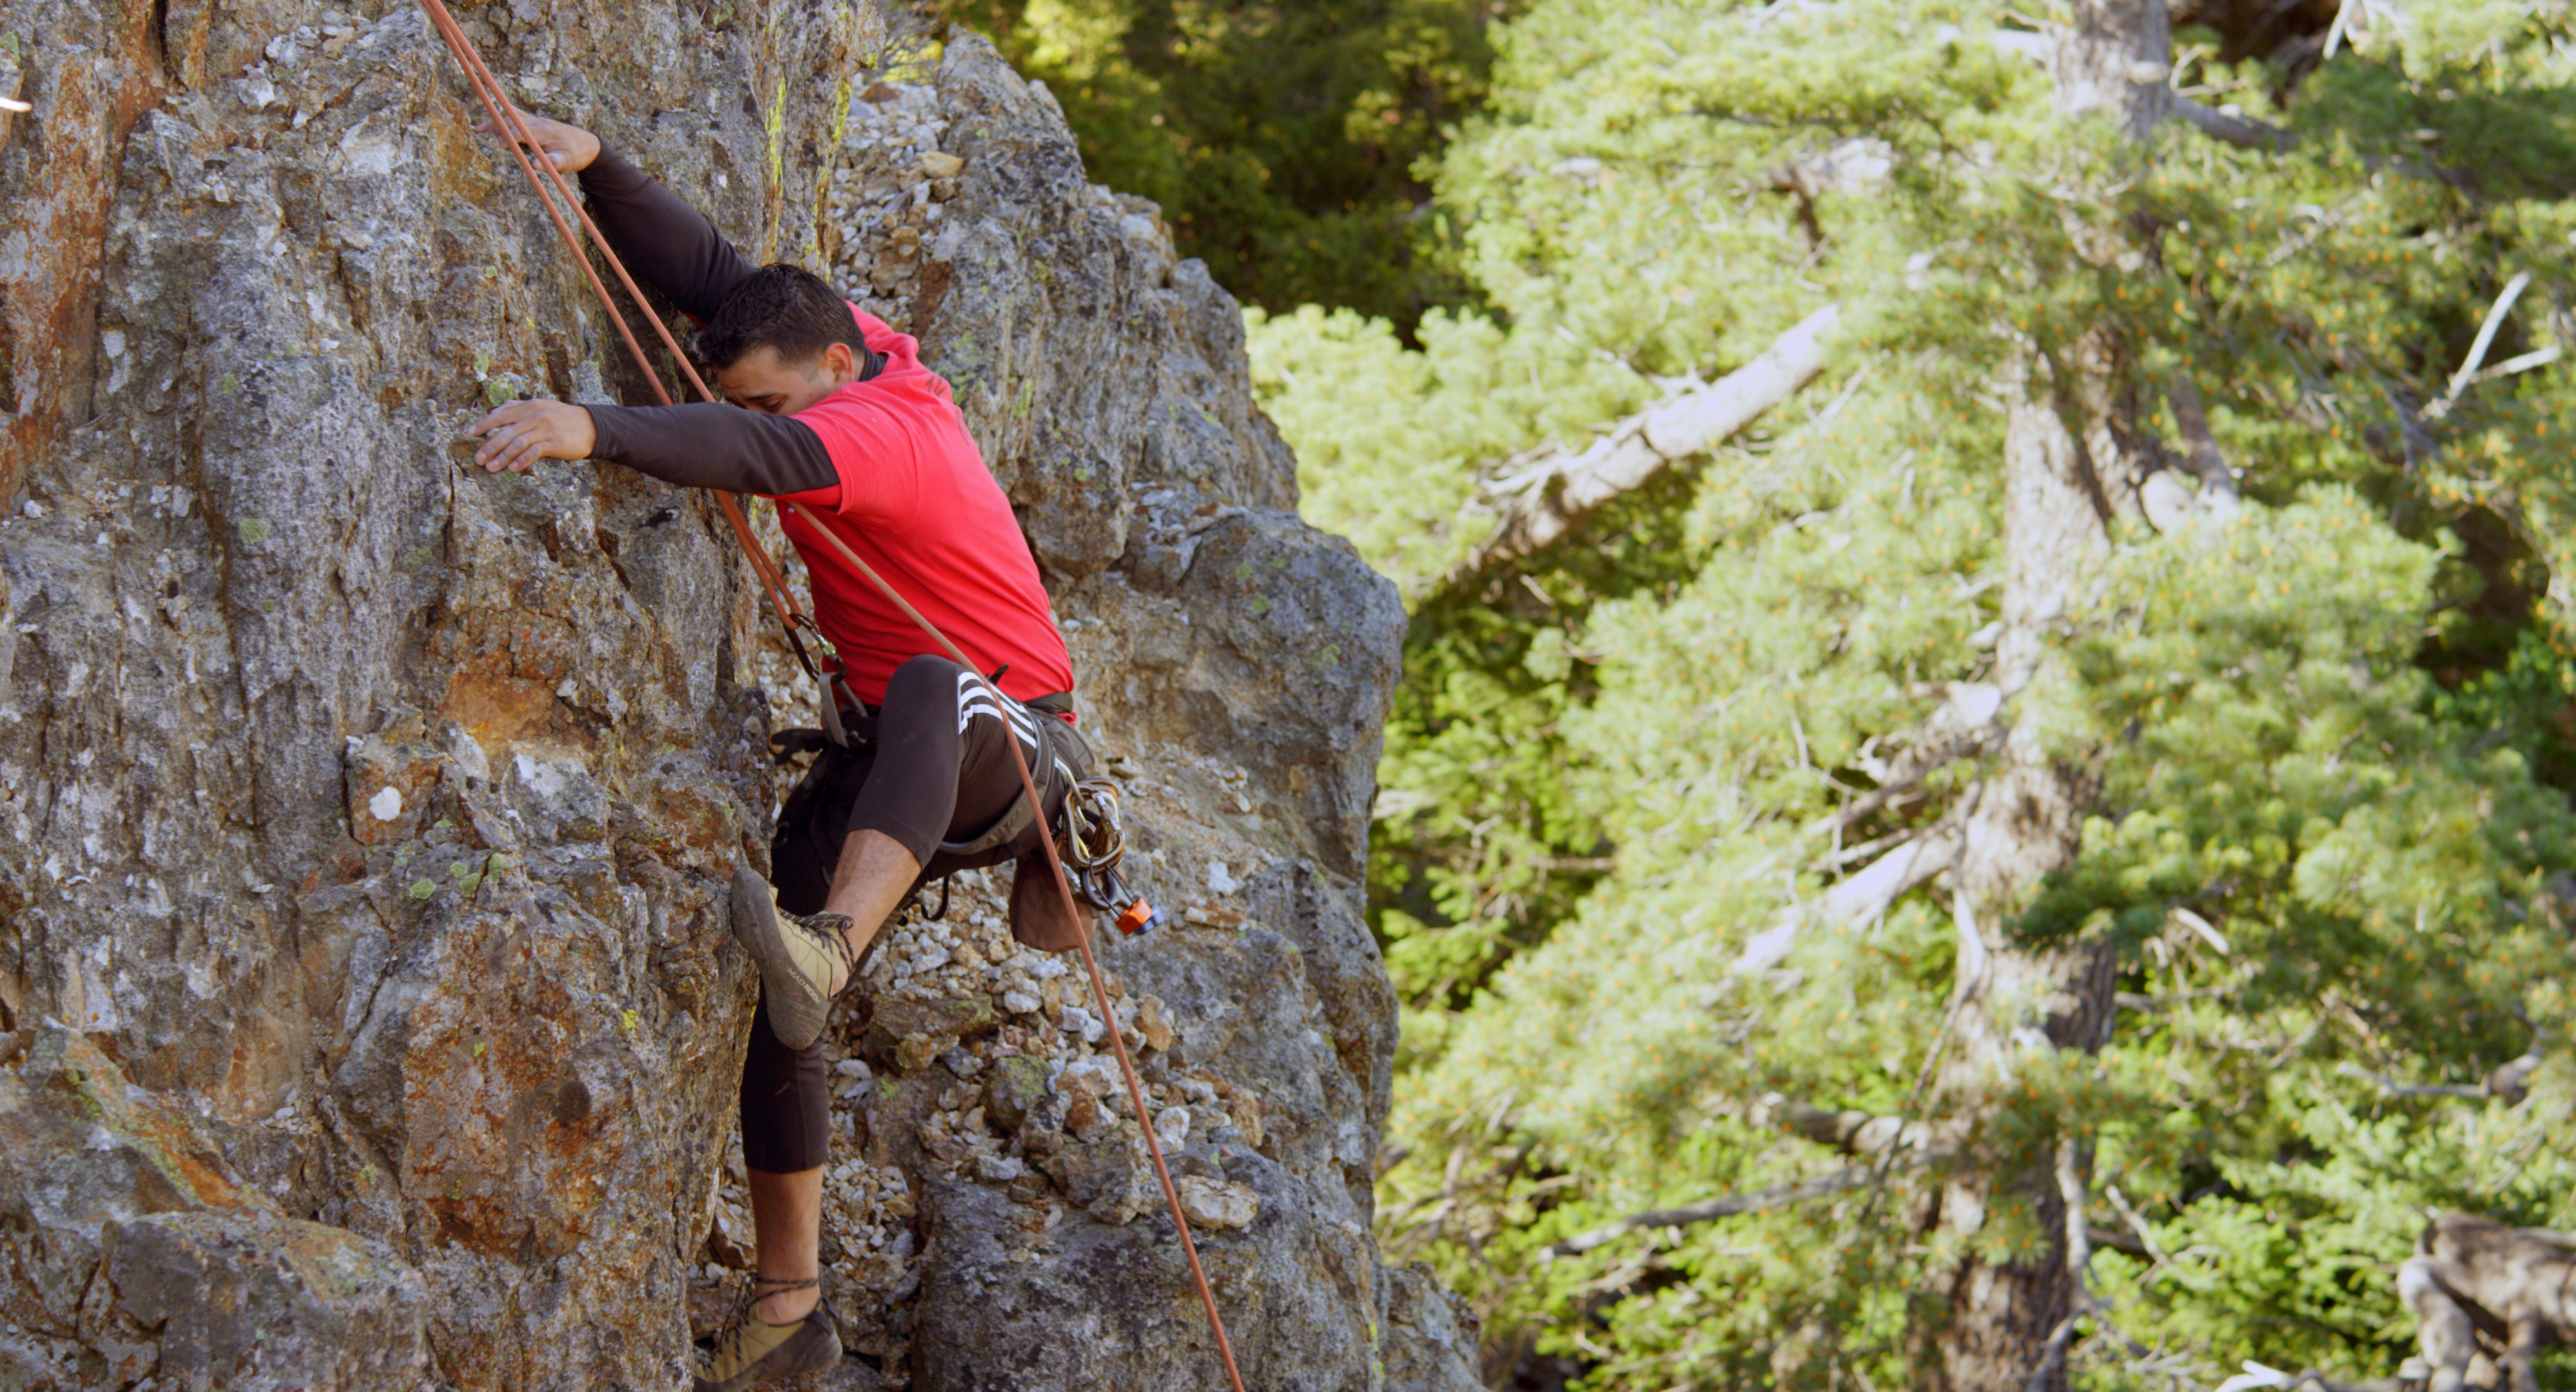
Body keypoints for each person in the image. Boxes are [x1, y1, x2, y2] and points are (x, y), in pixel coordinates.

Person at [464, 108, 1088, 1392]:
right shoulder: (851, 347)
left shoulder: (884, 431)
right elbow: (717, 288)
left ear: (835, 369)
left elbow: (759, 446)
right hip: (900, 753)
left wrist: (600, 428)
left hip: (1013, 743)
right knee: (779, 1004)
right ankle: (787, 1309)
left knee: (933, 687)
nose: (743, 404)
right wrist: (606, 173)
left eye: (763, 389)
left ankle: (836, 944)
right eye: (736, 386)